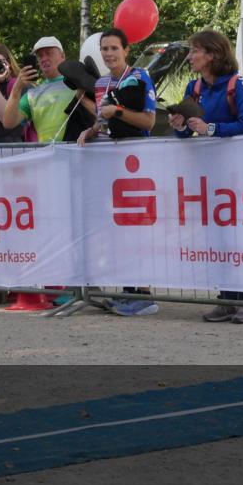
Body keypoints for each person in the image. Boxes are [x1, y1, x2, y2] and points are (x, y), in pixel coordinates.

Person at [169, 30, 243, 324]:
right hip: (209, 175)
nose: (190, 56)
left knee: (238, 236)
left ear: (212, 54)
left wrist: (210, 129)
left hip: (239, 175)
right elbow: (186, 133)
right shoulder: (193, 87)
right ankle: (227, 299)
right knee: (216, 237)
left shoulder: (237, 83)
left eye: (195, 51)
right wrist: (179, 125)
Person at [77, 28, 159, 317]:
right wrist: (91, 130)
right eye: (105, 49)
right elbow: (102, 120)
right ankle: (127, 290)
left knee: (136, 228)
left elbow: (148, 121)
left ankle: (144, 295)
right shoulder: (101, 83)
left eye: (114, 48)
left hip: (136, 162)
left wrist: (119, 112)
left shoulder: (139, 76)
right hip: (109, 164)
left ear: (126, 50)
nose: (109, 54)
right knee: (118, 229)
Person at [3, 37, 95, 143]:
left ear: (62, 56)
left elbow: (101, 114)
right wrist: (16, 88)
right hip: (47, 152)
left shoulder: (80, 84)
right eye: (40, 56)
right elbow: (8, 123)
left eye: (49, 53)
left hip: (79, 149)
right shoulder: (32, 94)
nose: (44, 58)